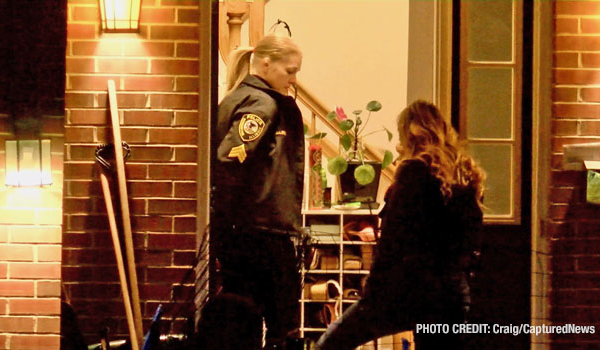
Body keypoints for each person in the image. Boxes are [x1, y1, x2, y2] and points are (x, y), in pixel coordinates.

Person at [315, 100, 486, 349]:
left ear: (408, 135)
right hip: (449, 291)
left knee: (330, 344)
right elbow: (472, 240)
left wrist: (373, 289)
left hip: (404, 290)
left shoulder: (413, 173)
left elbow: (394, 241)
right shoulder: (466, 174)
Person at [208, 34, 305, 350]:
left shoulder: (238, 97)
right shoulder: (262, 105)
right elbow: (231, 158)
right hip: (263, 232)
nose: (293, 79)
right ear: (266, 62)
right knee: (282, 325)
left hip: (243, 232)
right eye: (290, 70)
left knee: (241, 321)